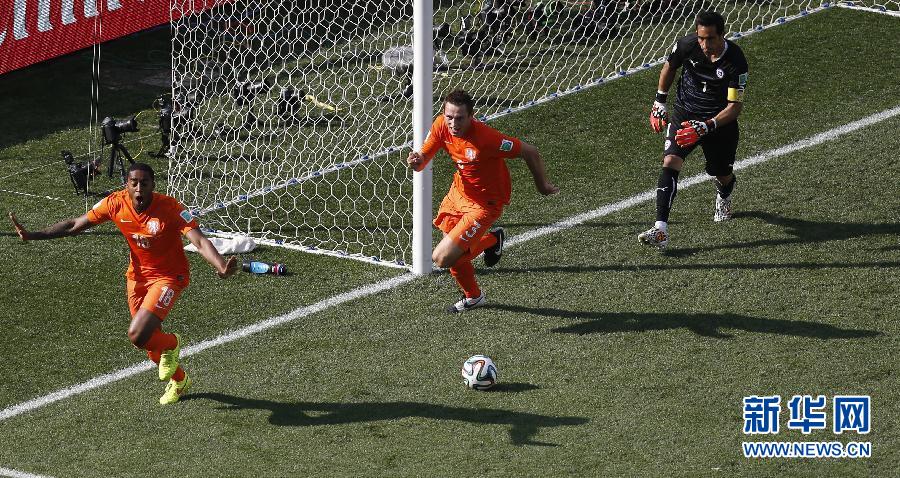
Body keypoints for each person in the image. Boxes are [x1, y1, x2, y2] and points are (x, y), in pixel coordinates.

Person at [8, 163, 237, 405]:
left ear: (153, 186)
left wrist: (220, 265)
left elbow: (199, 241)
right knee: (147, 343)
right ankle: (180, 380)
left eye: (144, 183)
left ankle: (173, 343)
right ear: (126, 185)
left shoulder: (171, 208)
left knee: (138, 334)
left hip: (169, 277)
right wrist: (34, 235)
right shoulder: (115, 203)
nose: (139, 188)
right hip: (137, 278)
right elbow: (75, 225)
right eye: (134, 183)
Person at [408, 89, 558, 313]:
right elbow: (421, 162)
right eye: (449, 117)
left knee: (442, 258)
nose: (453, 123)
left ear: (471, 116)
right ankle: (474, 297)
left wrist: (542, 186)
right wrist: (416, 161)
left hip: (484, 205)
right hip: (458, 195)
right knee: (455, 255)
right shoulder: (441, 125)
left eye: (459, 118)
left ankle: (490, 240)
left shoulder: (488, 139)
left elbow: (530, 152)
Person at [639, 11, 748, 249]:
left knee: (721, 173)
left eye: (710, 38)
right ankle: (661, 230)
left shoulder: (736, 61)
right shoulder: (688, 45)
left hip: (717, 123)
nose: (704, 44)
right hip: (685, 113)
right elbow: (670, 66)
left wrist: (707, 126)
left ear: (722, 35)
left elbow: (734, 108)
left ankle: (725, 195)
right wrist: (660, 101)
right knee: (670, 161)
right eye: (701, 38)